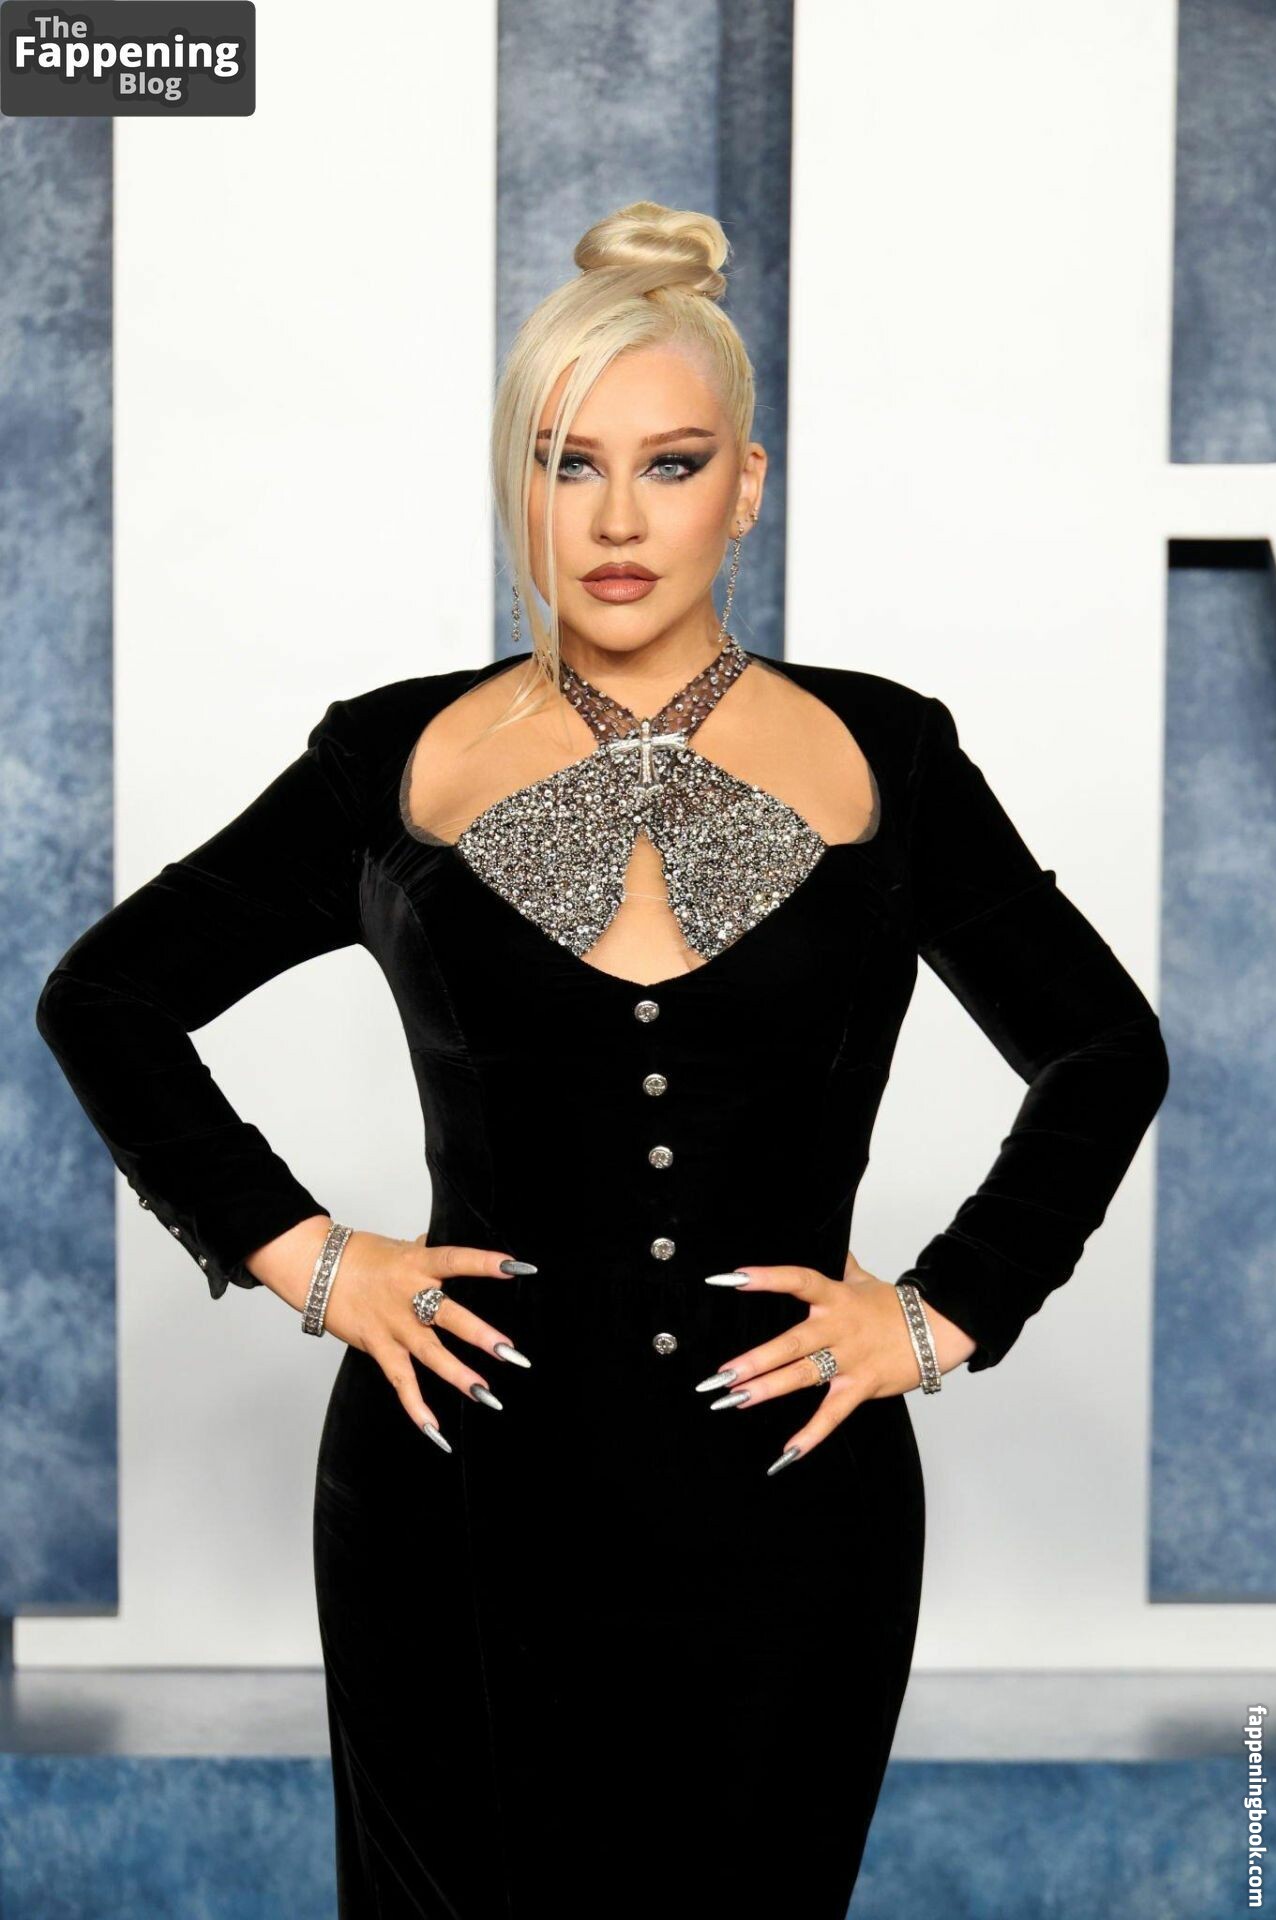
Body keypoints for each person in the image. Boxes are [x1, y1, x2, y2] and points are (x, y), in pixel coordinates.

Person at [35, 201, 1170, 1919]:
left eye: (671, 464)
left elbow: (1102, 1046)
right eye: (569, 464)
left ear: (748, 484)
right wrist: (313, 1260)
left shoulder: (891, 753)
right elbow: (106, 997)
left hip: (792, 1497)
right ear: (518, 483)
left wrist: (944, 1314)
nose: (618, 520)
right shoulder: (389, 756)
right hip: (453, 1494)